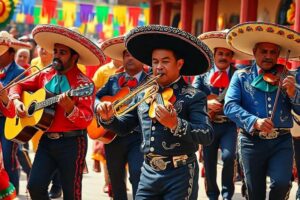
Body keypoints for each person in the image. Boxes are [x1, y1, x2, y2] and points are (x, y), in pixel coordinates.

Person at [97, 25, 214, 199]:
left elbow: (207, 135)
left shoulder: (194, 96)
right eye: (155, 61)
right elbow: (124, 127)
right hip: (148, 173)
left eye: (165, 61)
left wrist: (175, 124)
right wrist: (109, 119)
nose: (158, 67)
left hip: (180, 174)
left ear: (179, 64)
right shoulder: (143, 93)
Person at [8, 24, 105, 200]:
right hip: (46, 141)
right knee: (34, 186)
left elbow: (86, 120)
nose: (57, 56)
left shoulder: (84, 84)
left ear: (74, 57)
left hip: (73, 143)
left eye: (63, 53)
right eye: (56, 51)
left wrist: (70, 109)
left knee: (71, 194)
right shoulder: (45, 74)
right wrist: (16, 100)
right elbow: (18, 85)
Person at [224, 22, 300, 200]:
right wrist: (253, 121)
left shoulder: (289, 77)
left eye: (273, 52)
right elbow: (229, 106)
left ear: (279, 55)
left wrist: (293, 94)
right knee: (255, 192)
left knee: (282, 183)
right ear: (254, 53)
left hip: (281, 141)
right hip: (251, 142)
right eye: (263, 51)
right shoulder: (241, 76)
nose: (268, 56)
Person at [193, 29, 252, 200]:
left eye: (227, 54)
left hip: (229, 124)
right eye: (220, 53)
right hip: (209, 124)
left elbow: (246, 97)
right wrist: (206, 103)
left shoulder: (239, 75)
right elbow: (193, 96)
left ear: (231, 57)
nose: (223, 57)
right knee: (209, 161)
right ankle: (212, 195)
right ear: (214, 54)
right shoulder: (203, 74)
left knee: (228, 157)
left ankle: (227, 195)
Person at [94, 35, 145, 199]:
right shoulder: (113, 79)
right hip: (113, 136)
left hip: (139, 136)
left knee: (137, 174)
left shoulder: (151, 81)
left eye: (133, 54)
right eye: (126, 55)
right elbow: (95, 97)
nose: (129, 58)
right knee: (115, 179)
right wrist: (98, 105)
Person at [0, 31, 31, 194]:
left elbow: (21, 98)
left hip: (10, 121)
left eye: (1, 49)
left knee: (8, 158)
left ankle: (12, 193)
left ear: (10, 53)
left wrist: (6, 98)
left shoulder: (20, 72)